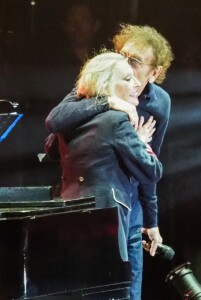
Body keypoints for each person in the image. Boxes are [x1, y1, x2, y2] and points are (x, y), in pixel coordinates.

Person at [45, 24, 174, 300]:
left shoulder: (159, 103)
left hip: (131, 204)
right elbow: (55, 120)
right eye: (122, 55)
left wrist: (151, 221)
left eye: (134, 62)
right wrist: (109, 102)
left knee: (130, 287)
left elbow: (150, 168)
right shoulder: (98, 86)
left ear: (154, 73)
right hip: (97, 201)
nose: (123, 64)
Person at [56, 50, 162, 270]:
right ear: (108, 86)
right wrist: (142, 141)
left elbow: (50, 147)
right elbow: (152, 171)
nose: (135, 83)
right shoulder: (117, 121)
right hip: (106, 224)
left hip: (66, 220)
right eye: (126, 79)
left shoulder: (70, 122)